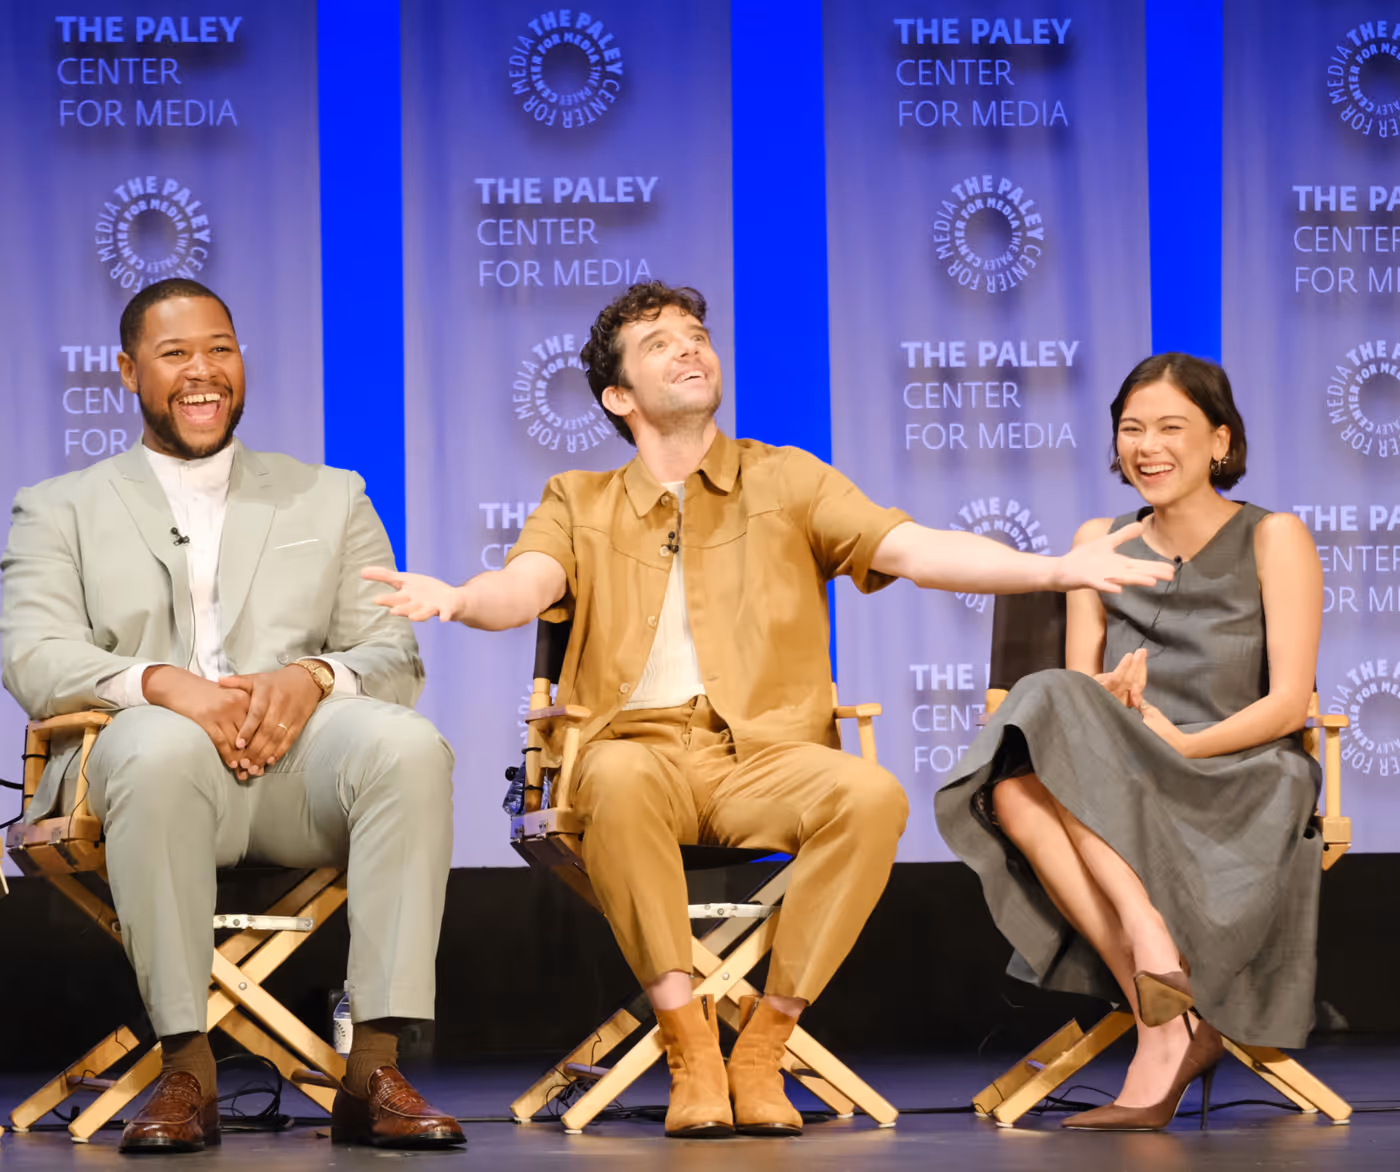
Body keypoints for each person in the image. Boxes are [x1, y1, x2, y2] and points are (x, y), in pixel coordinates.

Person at [363, 281, 1173, 1140]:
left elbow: (913, 548)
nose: (690, 347)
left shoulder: (787, 478)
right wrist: (460, 599)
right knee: (622, 776)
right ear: (618, 397)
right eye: (659, 343)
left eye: (696, 334)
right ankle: (688, 1045)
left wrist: (1056, 571)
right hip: (632, 752)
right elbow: (525, 585)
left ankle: (763, 1044)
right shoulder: (578, 498)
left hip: (766, 758)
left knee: (870, 796)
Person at [1, 279, 465, 1152]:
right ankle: (187, 1069)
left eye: (220, 348)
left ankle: (374, 1070)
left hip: (298, 769)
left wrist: (314, 676)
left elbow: (392, 655)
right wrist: (163, 684)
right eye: (174, 353)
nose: (202, 371)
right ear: (128, 370)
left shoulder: (330, 494)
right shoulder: (58, 506)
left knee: (407, 747)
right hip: (145, 772)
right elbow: (33, 655)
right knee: (159, 748)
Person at [935, 354, 1325, 1131]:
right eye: (1131, 429)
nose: (1147, 446)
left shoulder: (1274, 535)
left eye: (1170, 427)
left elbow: (1289, 704)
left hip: (1239, 769)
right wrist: (1109, 697)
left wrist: (1182, 746)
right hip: (1128, 767)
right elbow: (1077, 691)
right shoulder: (1098, 541)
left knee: (1046, 714)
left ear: (1220, 440)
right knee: (1020, 772)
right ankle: (1160, 994)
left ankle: (1158, 991)